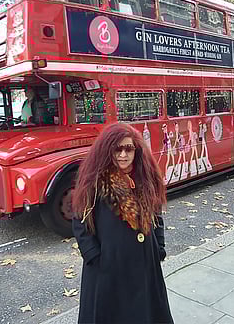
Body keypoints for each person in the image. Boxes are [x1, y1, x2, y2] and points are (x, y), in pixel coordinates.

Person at [72, 123, 173, 324]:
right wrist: (94, 256)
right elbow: (79, 219)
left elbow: (156, 213)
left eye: (128, 148)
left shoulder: (146, 176)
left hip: (145, 266)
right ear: (107, 150)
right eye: (117, 149)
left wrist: (159, 246)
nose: (123, 155)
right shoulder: (95, 180)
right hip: (109, 268)